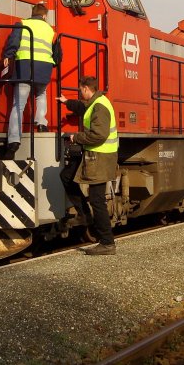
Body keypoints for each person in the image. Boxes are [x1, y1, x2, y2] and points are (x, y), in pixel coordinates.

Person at [56, 76, 118, 255]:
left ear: (85, 89)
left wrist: (77, 137)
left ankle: (107, 243)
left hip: (100, 156)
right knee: (66, 176)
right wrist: (67, 102)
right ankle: (84, 214)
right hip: (93, 154)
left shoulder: (100, 106)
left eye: (80, 91)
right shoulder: (94, 102)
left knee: (97, 199)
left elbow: (99, 134)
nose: (80, 94)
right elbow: (82, 107)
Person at [1, 3, 56, 159]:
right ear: (44, 16)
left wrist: (8, 55)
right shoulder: (50, 30)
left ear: (33, 14)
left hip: (25, 67)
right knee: (41, 94)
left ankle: (13, 141)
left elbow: (14, 42)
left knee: (18, 105)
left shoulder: (22, 24)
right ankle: (42, 123)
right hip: (44, 68)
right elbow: (58, 53)